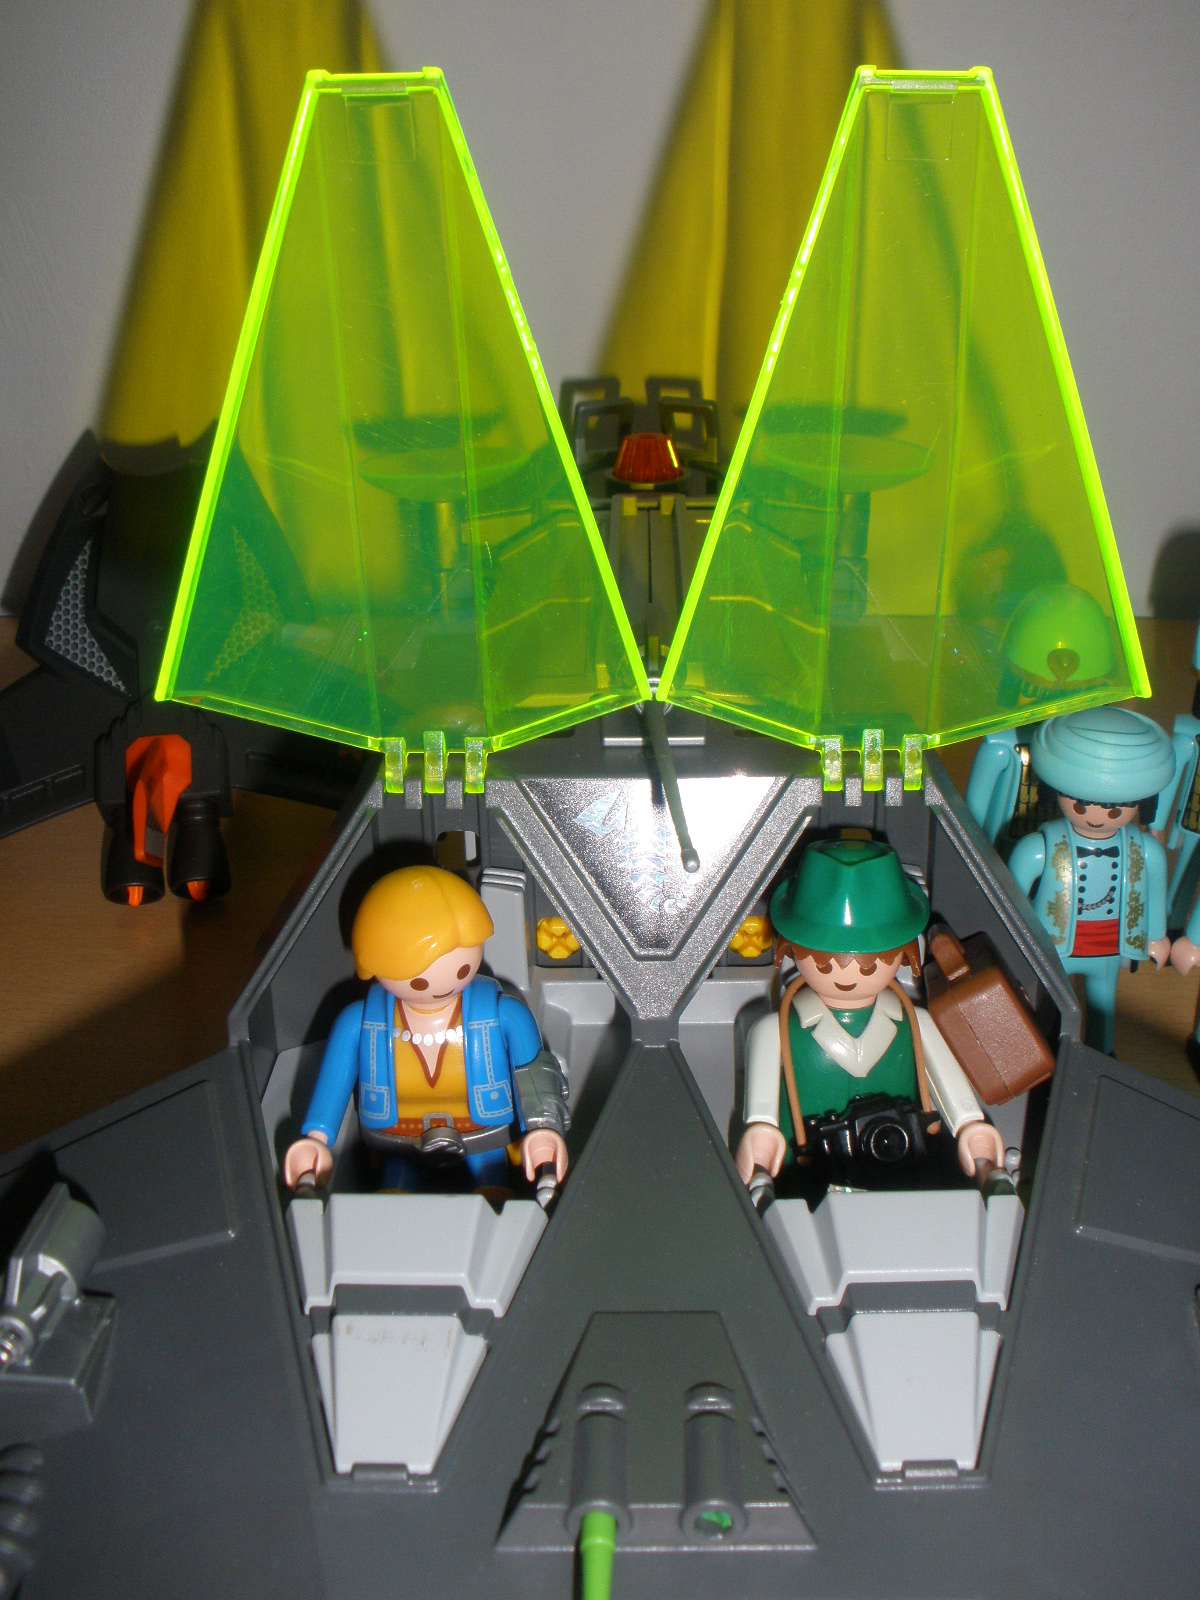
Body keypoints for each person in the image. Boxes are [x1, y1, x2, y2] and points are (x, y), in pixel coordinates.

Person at [735, 838, 1004, 1195]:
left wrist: (971, 1128)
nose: (846, 975)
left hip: (903, 1169)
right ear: (792, 949)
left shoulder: (915, 1025)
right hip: (802, 1177)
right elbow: (761, 1116)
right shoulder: (776, 1031)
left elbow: (955, 1098)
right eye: (824, 964)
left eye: (869, 964)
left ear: (903, 953)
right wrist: (760, 1143)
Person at [283, 865, 569, 1198]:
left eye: (462, 968)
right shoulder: (360, 1022)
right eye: (419, 979)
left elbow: (534, 1075)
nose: (442, 983)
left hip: (484, 1134)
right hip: (398, 1140)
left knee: (494, 1190)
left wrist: (543, 1126)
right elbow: (333, 1084)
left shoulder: (502, 1013)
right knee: (393, 1193)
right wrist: (316, 1139)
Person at [1007, 707, 1174, 1054]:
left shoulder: (1144, 851)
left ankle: (1102, 1055)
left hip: (1110, 944)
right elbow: (1009, 898)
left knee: (1103, 1006)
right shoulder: (1039, 847)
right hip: (1052, 944)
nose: (1098, 817)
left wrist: (1156, 936)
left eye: (1114, 809)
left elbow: (1156, 893)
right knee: (1046, 1006)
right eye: (1081, 805)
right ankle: (1046, 1054)